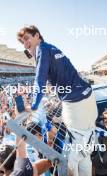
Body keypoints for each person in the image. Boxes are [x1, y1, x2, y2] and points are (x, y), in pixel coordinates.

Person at [17, 25, 98, 176]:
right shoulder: (51, 47)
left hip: (76, 103)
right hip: (88, 97)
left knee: (70, 158)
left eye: (27, 38)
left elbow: (39, 80)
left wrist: (34, 106)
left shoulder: (42, 49)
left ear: (37, 36)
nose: (25, 44)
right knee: (84, 150)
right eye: (22, 42)